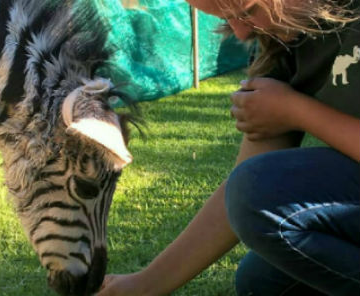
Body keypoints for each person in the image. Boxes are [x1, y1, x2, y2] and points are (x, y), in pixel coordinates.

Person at [97, 0, 360, 295]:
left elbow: (257, 189)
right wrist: (144, 284)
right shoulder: (285, 40)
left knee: (259, 189)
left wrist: (296, 111)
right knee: (263, 281)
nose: (241, 32)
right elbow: (244, 191)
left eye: (247, 11)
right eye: (226, 19)